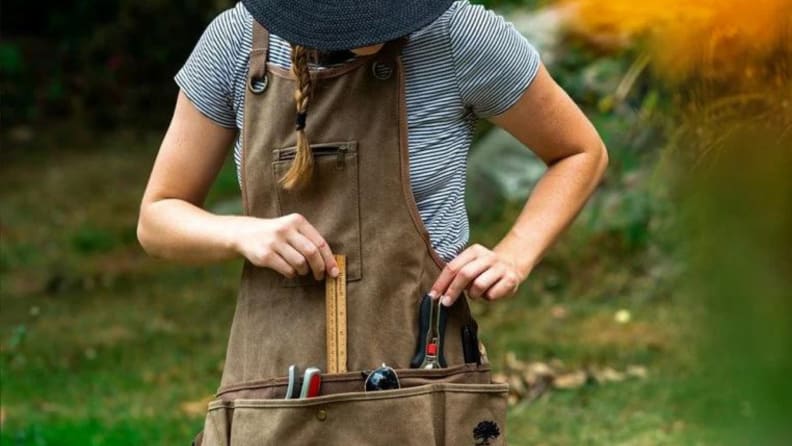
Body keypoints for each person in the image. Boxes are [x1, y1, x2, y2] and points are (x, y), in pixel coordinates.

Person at [137, 0, 607, 444]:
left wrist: (516, 252)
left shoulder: (457, 34)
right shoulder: (237, 43)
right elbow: (158, 216)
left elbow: (579, 151)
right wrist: (241, 232)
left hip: (419, 379)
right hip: (272, 392)